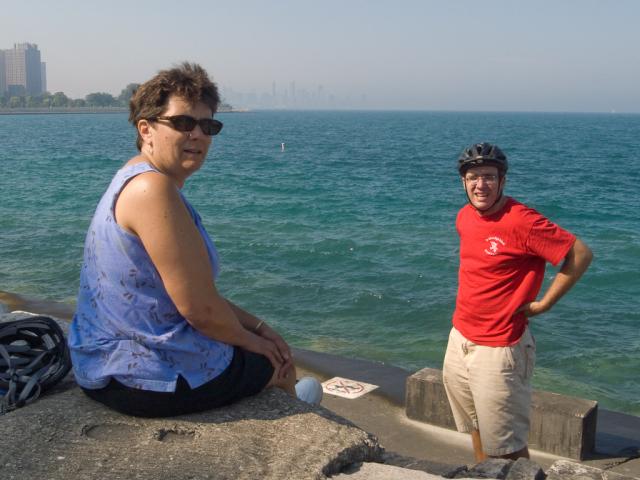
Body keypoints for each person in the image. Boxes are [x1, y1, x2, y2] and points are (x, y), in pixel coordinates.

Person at [68, 63, 321, 417]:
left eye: (208, 125)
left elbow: (195, 294)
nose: (198, 134)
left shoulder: (136, 176)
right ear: (147, 129)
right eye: (183, 123)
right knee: (281, 367)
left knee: (263, 347)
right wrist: (260, 344)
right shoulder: (153, 190)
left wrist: (260, 327)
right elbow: (200, 311)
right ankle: (295, 412)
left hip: (105, 361)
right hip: (141, 377)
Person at [443, 143, 592, 461]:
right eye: (473, 177)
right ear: (463, 182)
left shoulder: (521, 221)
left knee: (507, 447)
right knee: (478, 428)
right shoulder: (464, 217)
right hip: (460, 339)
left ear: (502, 181)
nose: (480, 185)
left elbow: (579, 255)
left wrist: (545, 303)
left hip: (500, 348)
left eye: (488, 176)